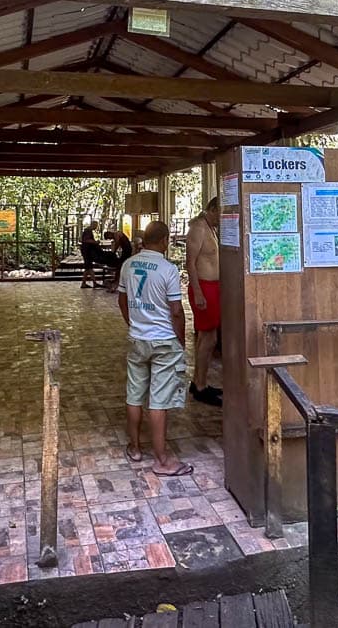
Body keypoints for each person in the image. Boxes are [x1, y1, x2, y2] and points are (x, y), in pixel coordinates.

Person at [118, 220, 192, 476]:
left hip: (138, 339)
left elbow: (122, 299)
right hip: (164, 340)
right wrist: (180, 340)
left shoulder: (128, 264)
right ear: (164, 240)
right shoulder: (168, 269)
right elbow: (176, 311)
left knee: (134, 394)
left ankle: (136, 448)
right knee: (159, 400)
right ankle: (161, 460)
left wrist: (134, 323)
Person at [185, 196, 222, 406]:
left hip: (213, 287)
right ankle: (200, 386)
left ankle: (199, 381)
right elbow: (190, 262)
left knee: (207, 337)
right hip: (204, 287)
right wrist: (198, 292)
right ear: (213, 209)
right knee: (209, 338)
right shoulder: (198, 228)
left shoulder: (212, 228)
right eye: (221, 213)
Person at [79, 220, 102, 289]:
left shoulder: (88, 230)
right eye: (96, 225)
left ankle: (85, 283)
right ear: (93, 225)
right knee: (89, 267)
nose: (96, 227)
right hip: (87, 251)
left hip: (87, 251)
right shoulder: (88, 231)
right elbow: (86, 240)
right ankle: (94, 283)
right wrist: (95, 242)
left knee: (88, 267)